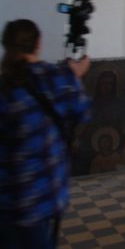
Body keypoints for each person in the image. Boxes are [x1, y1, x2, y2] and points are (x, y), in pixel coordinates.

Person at [0, 19, 91, 248]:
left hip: (7, 195)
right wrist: (76, 76)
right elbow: (81, 112)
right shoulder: (58, 77)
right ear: (38, 43)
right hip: (43, 192)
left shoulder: (4, 84)